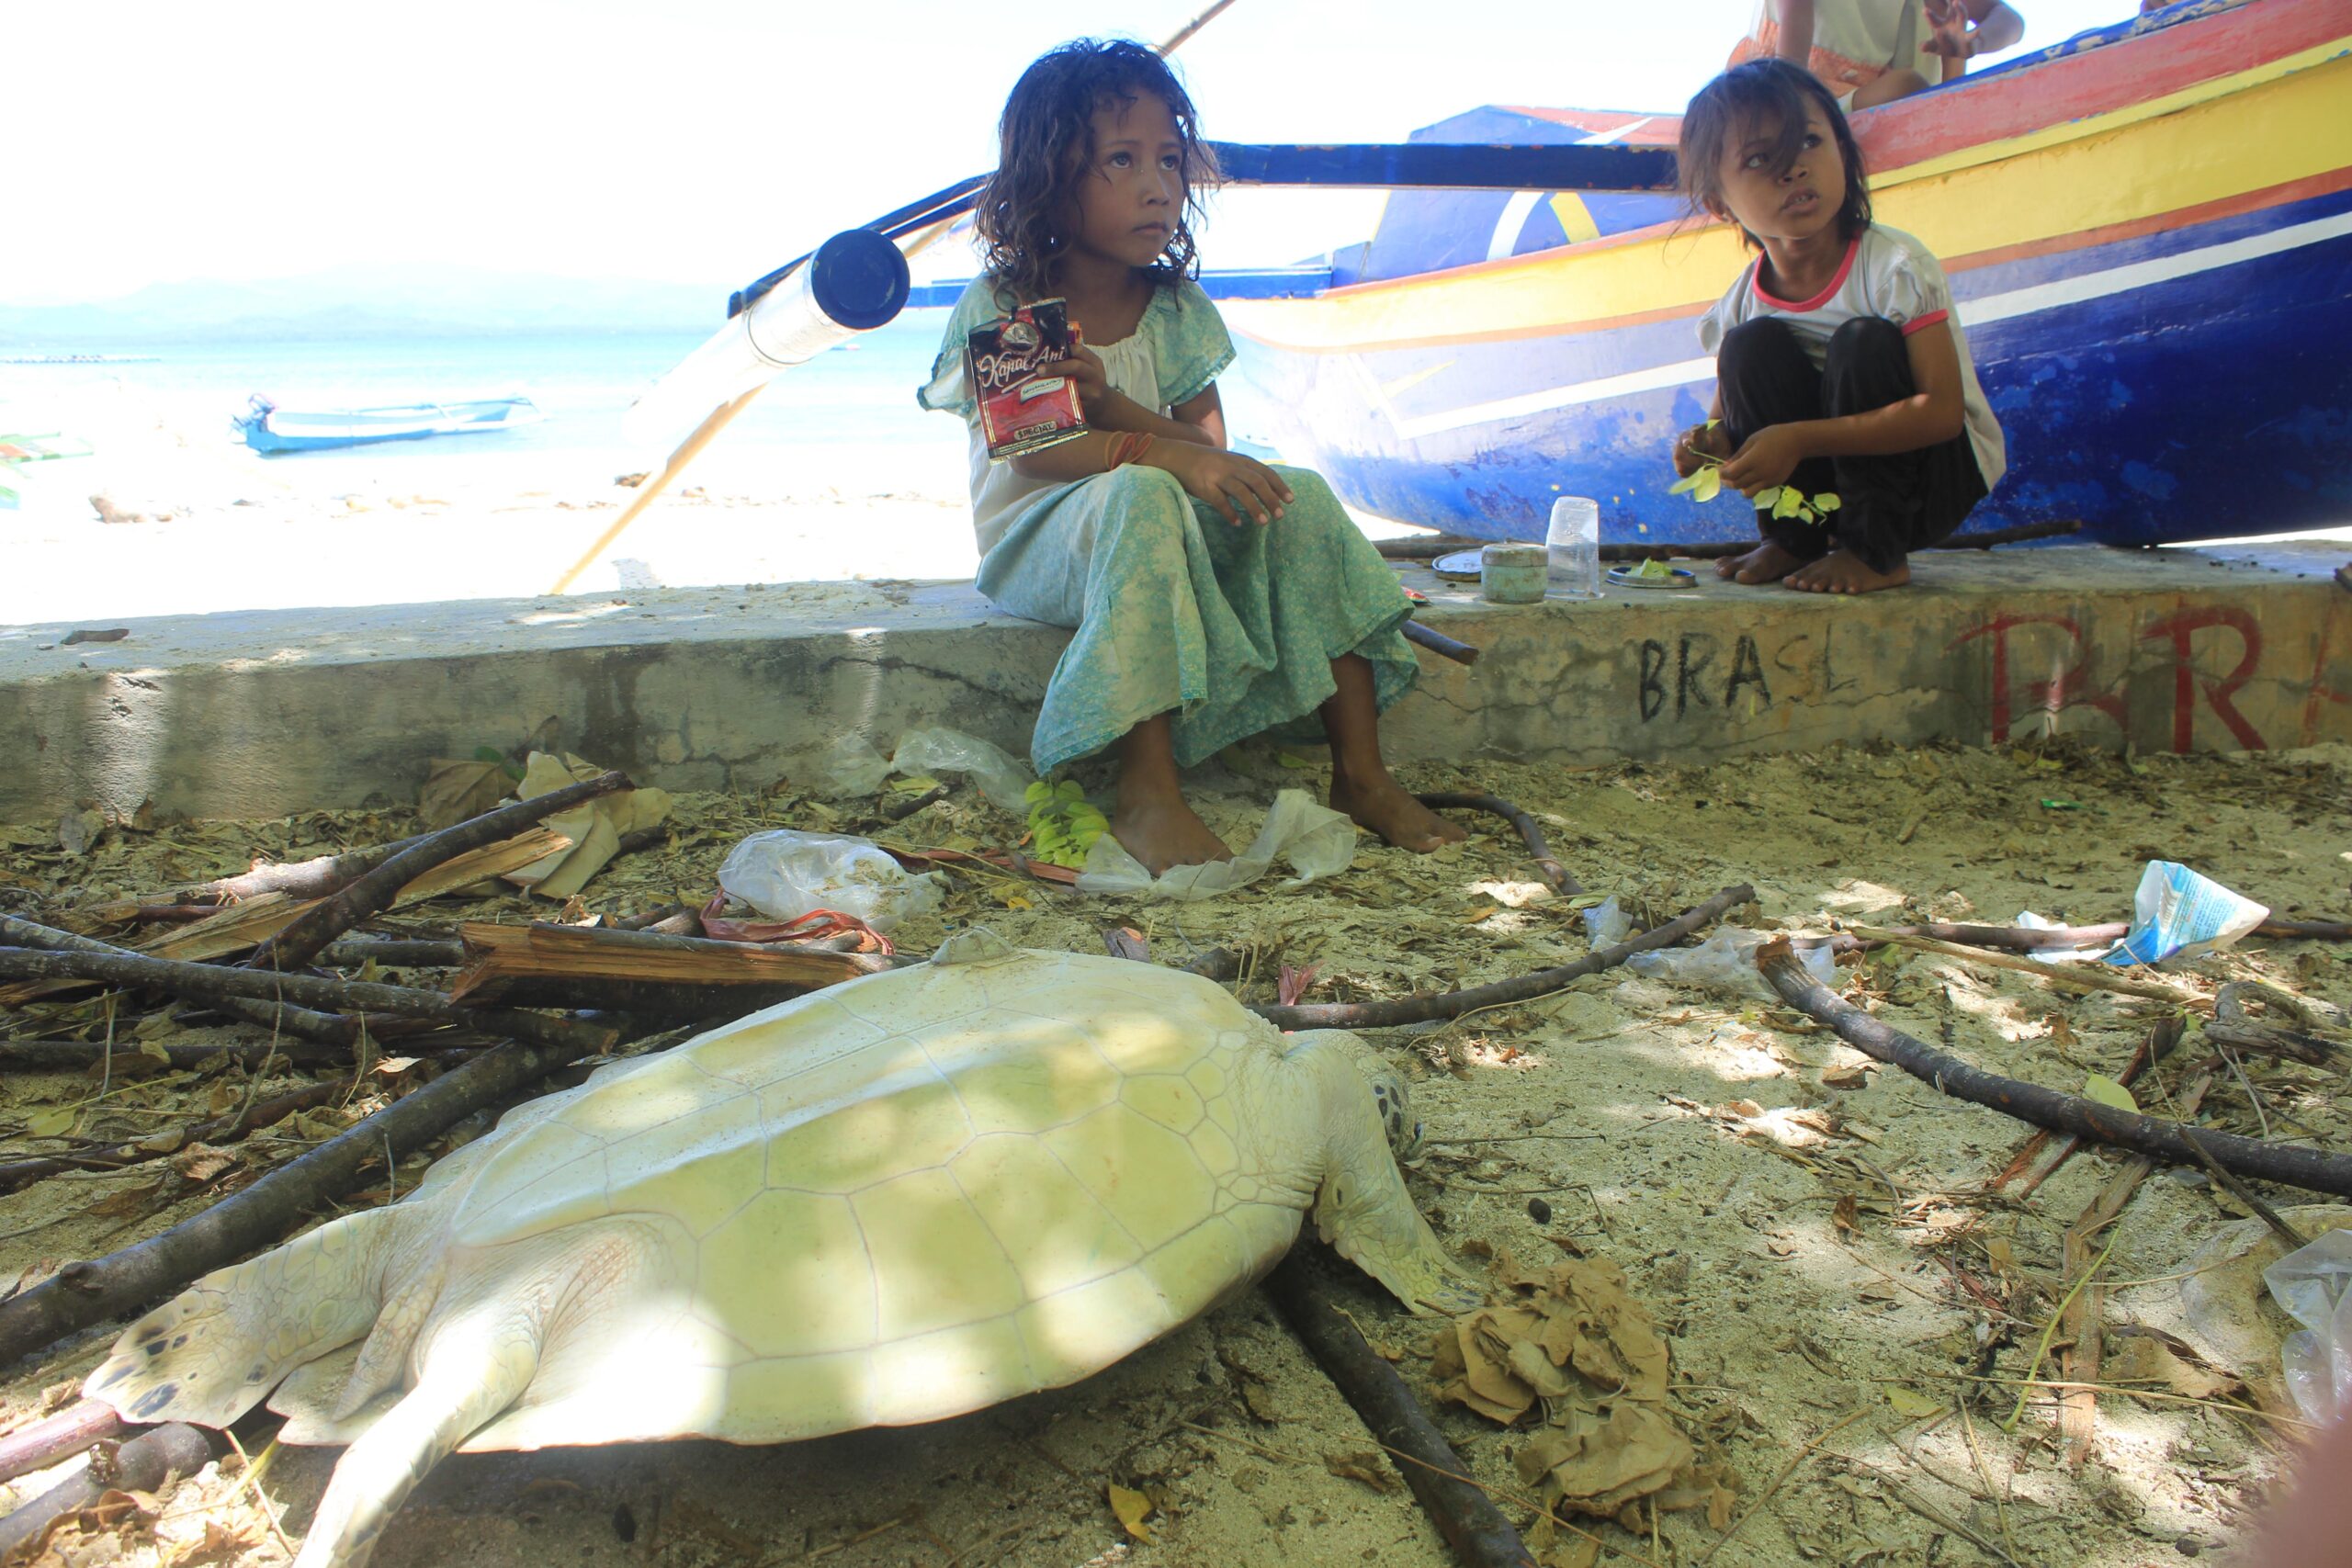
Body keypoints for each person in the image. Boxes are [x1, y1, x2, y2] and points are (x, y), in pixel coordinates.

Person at [919, 39, 1464, 874]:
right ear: (1050, 178)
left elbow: (1207, 450)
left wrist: (1115, 405)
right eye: (1122, 160)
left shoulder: (1174, 307)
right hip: (1040, 541)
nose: (1158, 186)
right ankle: (1147, 791)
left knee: (1301, 495)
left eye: (1170, 161)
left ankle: (1361, 772)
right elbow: (1038, 458)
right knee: (1143, 491)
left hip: (1148, 511)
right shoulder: (1013, 299)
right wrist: (1143, 445)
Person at [1669, 57, 2006, 594]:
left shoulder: (1894, 268)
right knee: (1747, 347)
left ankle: (1876, 554)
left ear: (1844, 153)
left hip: (1936, 480)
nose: (1794, 169)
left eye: (1809, 143)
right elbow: (1728, 428)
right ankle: (1793, 541)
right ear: (1719, 204)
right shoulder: (1741, 304)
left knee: (1863, 343)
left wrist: (1799, 438)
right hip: (1831, 490)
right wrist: (1706, 447)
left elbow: (1941, 413)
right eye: (1761, 160)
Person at [1730, 0, 2025, 110]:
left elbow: (2008, 19)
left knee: (1914, 82)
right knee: (1908, 84)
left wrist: (1972, 44)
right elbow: (1795, 16)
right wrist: (1788, 110)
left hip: (1894, 100)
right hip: (1798, 92)